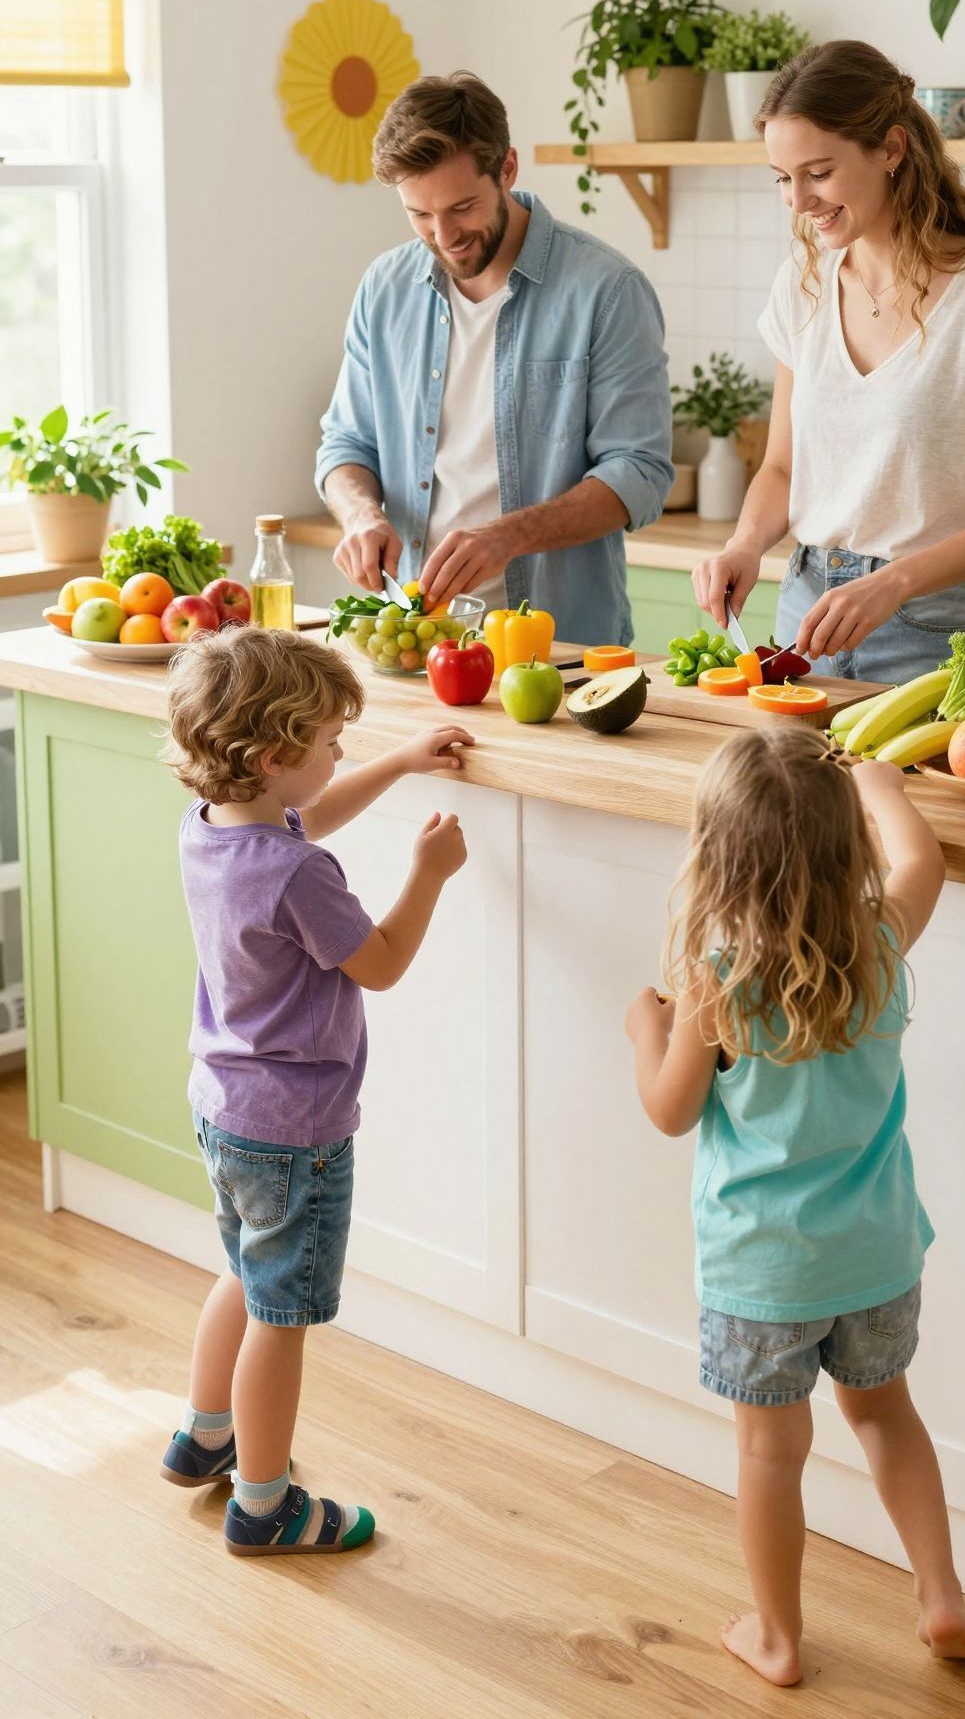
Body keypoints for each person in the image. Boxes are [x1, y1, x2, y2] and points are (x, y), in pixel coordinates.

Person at [625, 728, 965, 1687]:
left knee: (771, 1452)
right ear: (845, 849)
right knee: (886, 1417)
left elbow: (669, 1112)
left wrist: (642, 1030)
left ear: (718, 854)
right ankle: (943, 1594)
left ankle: (781, 1639)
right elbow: (925, 859)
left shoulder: (715, 978)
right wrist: (877, 783)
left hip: (763, 1271)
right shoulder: (878, 944)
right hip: (874, 1254)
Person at [159, 625, 471, 1556]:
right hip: (297, 1132)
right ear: (273, 756)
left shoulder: (216, 831)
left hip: (224, 1107)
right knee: (281, 1318)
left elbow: (311, 810)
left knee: (243, 1276)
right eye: (332, 740)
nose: (340, 753)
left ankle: (204, 1434)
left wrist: (400, 760)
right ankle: (264, 1504)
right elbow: (377, 965)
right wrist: (428, 875)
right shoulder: (299, 873)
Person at [693, 40, 965, 682]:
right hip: (804, 614)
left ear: (891, 149)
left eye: (818, 173)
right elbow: (784, 466)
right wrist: (744, 544)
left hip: (936, 627)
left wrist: (894, 584)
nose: (798, 201)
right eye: (783, 179)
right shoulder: (803, 282)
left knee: (906, 789)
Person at [316, 72, 674, 645]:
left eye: (462, 207)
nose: (444, 234)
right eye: (419, 215)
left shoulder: (606, 291)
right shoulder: (384, 288)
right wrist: (361, 514)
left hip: (560, 647)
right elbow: (345, 446)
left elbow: (638, 472)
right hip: (417, 641)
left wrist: (507, 536)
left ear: (507, 169)